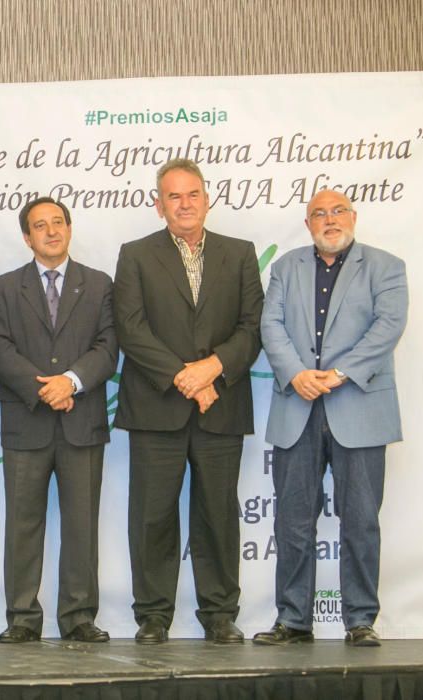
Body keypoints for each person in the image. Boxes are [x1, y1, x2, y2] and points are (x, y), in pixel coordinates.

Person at [113, 158, 263, 644]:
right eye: (173, 196)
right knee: (152, 515)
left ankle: (220, 613)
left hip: (222, 403)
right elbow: (131, 330)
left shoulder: (240, 252)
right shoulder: (134, 254)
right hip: (157, 407)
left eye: (192, 194)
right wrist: (184, 377)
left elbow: (252, 326)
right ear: (159, 205)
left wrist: (212, 370)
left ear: (207, 198)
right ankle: (153, 616)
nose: (184, 204)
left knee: (217, 514)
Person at [253, 189, 408, 648]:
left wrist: (340, 374)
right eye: (319, 214)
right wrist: (297, 374)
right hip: (297, 406)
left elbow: (388, 326)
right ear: (307, 225)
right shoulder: (284, 268)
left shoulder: (386, 266)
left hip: (358, 406)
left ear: (353, 217)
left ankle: (360, 620)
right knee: (292, 521)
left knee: (360, 520)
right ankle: (293, 620)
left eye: (338, 211)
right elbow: (270, 326)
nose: (329, 219)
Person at [0, 198, 118, 643]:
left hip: (82, 421)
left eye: (57, 223)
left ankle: (78, 616)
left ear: (70, 228)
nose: (51, 231)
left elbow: (107, 347)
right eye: (40, 226)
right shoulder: (4, 288)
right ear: (27, 237)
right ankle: (22, 617)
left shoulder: (98, 284)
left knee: (82, 524)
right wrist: (45, 389)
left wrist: (72, 382)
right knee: (22, 525)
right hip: (27, 421)